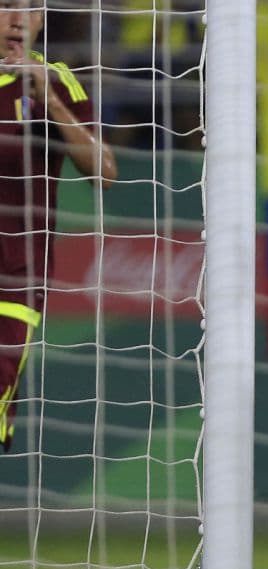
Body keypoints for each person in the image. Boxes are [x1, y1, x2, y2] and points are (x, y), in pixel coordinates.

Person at [0, 0, 117, 451]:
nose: (18, 19)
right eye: (7, 5)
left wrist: (46, 98)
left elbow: (104, 170)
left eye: (30, 9)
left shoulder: (57, 80)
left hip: (13, 285)